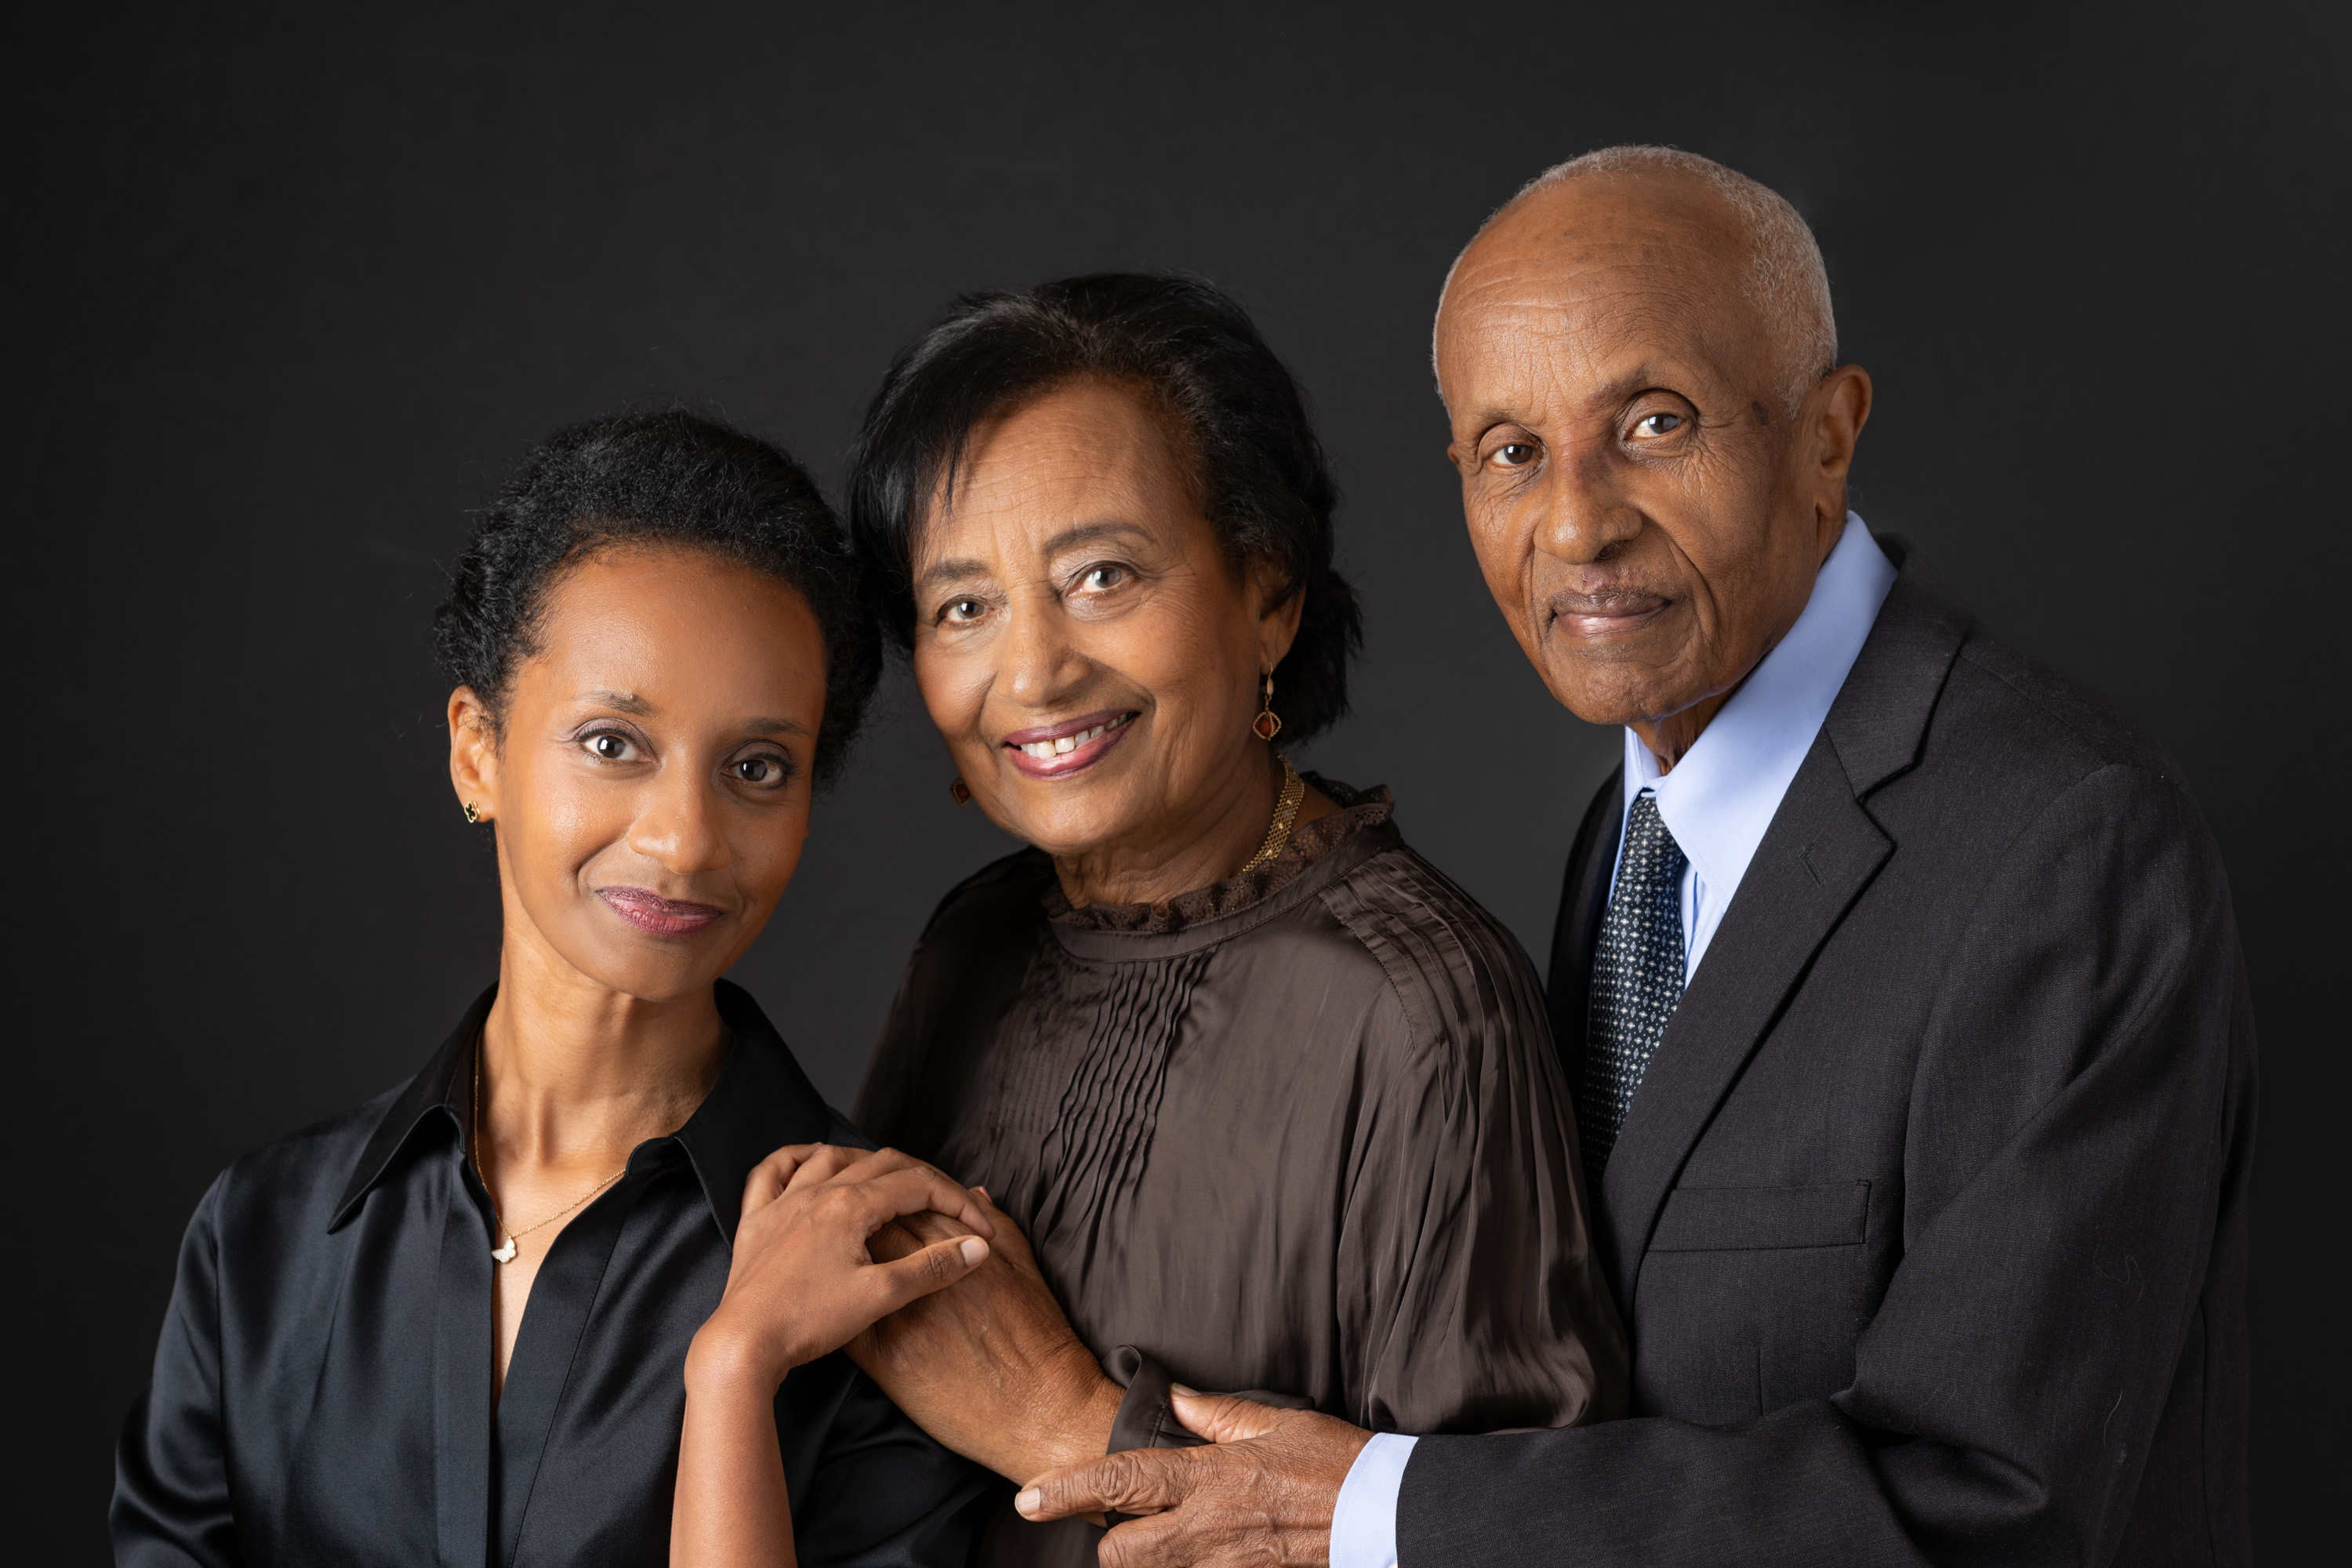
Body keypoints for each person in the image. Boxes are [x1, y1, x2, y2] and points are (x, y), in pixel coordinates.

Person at [1014, 151, 2255, 1566]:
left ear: (1829, 434)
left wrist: (1384, 1508)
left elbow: (1989, 1511)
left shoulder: (2063, 845)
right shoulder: (1641, 818)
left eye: (1654, 423)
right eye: (1510, 451)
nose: (1574, 522)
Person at [829, 272, 1627, 1565]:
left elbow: (1514, 1544)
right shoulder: (971, 946)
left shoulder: (1421, 1010)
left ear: (1269, 593)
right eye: (963, 606)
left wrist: (1068, 1426)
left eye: (1102, 576)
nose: (1032, 671)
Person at [112, 411, 995, 1567]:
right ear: (478, 751)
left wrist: (733, 1376)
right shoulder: (262, 1239)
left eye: (757, 769)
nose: (685, 842)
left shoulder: (879, 1277)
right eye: (613, 743)